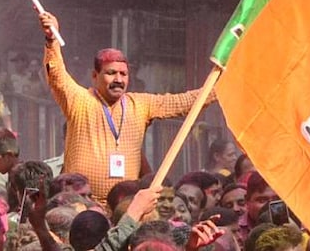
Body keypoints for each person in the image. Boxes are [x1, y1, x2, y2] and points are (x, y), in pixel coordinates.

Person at [38, 12, 215, 202]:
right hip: (81, 206)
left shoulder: (140, 104)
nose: (118, 80)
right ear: (94, 76)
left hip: (126, 207)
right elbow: (57, 77)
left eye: (124, 74)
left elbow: (183, 102)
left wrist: (218, 88)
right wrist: (51, 40)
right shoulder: (80, 100)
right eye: (111, 73)